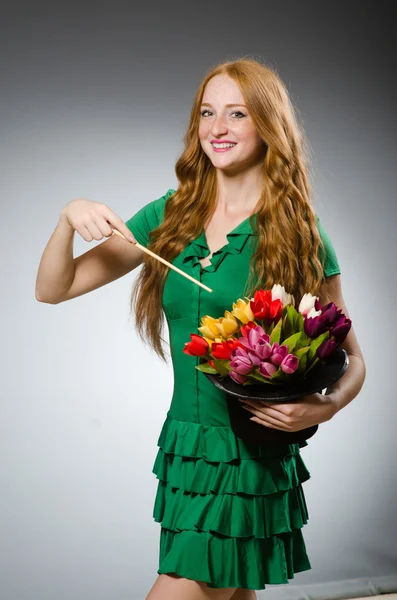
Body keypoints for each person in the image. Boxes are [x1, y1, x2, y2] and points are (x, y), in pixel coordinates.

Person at [35, 58, 366, 600]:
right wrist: (68, 217)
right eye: (207, 113)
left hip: (249, 453)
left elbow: (354, 359)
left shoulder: (299, 231)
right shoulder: (171, 215)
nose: (217, 128)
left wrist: (326, 406)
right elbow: (53, 288)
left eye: (236, 114)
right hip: (186, 449)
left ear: (267, 125)